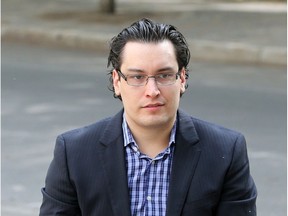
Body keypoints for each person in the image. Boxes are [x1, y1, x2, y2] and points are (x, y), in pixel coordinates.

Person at [39, 18, 257, 216]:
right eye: (137, 76)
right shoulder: (74, 152)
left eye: (164, 75)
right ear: (117, 82)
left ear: (182, 78)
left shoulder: (225, 151)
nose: (152, 90)